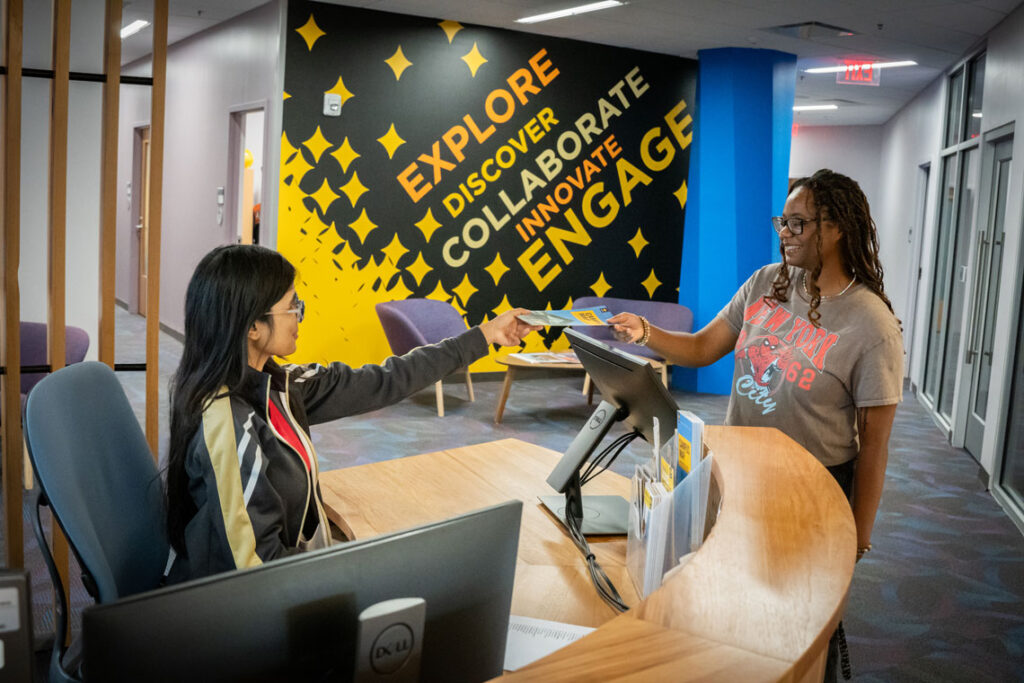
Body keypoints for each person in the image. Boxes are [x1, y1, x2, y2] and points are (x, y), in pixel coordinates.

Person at [609, 169, 903, 680]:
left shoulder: (870, 324)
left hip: (810, 493)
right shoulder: (767, 282)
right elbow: (702, 347)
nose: (784, 232)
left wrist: (857, 538)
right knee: (732, 598)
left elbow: (875, 444)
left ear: (836, 228)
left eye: (798, 223)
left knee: (799, 623)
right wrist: (646, 332)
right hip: (737, 473)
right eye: (782, 221)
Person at [165, 244, 540, 583]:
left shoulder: (278, 383)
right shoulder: (227, 423)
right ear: (251, 326)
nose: (300, 316)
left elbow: (385, 379)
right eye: (293, 307)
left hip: (293, 574)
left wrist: (484, 335)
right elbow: (258, 573)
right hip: (244, 615)